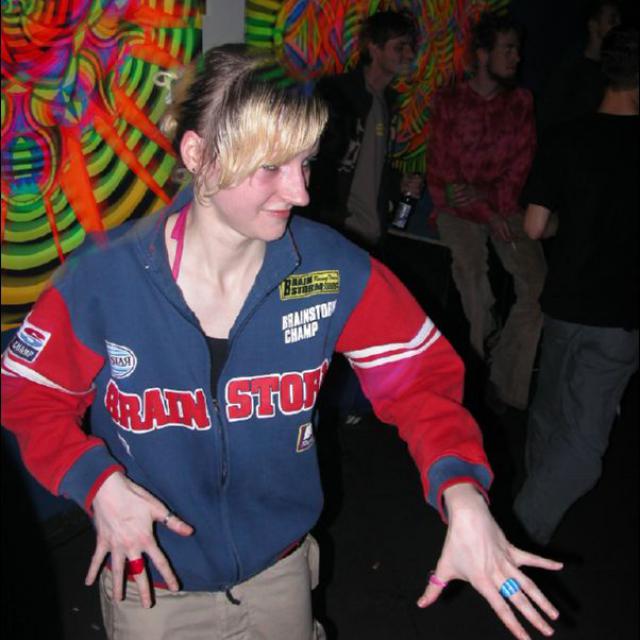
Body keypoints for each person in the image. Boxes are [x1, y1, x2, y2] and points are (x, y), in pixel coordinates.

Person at [1, 44, 562, 640]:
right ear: (198, 155)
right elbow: (28, 396)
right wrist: (98, 484)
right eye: (270, 166)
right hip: (154, 579)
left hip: (280, 574)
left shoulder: (331, 269)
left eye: (306, 162)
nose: (298, 192)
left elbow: (419, 381)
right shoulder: (105, 278)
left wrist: (461, 491)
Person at [513, 25, 639, 546]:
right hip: (617, 316)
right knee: (584, 452)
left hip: (564, 304)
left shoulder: (566, 136)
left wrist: (576, 224)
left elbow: (535, 226)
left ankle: (528, 521)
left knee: (548, 420)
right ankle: (515, 539)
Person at [426, 11, 547, 412]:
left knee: (538, 286)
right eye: (507, 49)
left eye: (517, 49)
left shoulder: (520, 103)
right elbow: (443, 176)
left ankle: (506, 384)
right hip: (459, 209)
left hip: (503, 204)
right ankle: (472, 385)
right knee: (473, 278)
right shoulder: (450, 100)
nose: (516, 57)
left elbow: (520, 169)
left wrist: (491, 204)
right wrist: (484, 208)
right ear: (482, 55)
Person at [303, 10, 422, 254]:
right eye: (400, 47)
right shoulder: (336, 93)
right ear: (374, 48)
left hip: (369, 234)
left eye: (410, 47)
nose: (410, 55)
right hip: (336, 232)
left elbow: (371, 166)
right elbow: (322, 163)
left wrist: (399, 183)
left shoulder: (386, 101)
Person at [536, 0, 622, 134]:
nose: (619, 26)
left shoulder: (614, 70)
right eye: (612, 21)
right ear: (593, 25)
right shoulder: (569, 69)